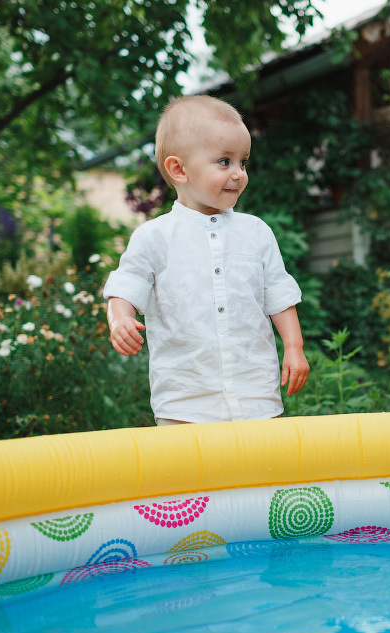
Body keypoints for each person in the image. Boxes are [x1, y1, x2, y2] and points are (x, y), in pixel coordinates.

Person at [104, 95, 309, 424]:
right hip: (186, 401)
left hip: (256, 397)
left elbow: (278, 293)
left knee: (260, 474)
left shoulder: (255, 232)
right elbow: (126, 286)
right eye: (225, 162)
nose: (239, 173)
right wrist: (120, 319)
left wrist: (294, 347)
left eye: (243, 162)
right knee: (191, 475)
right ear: (179, 169)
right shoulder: (154, 237)